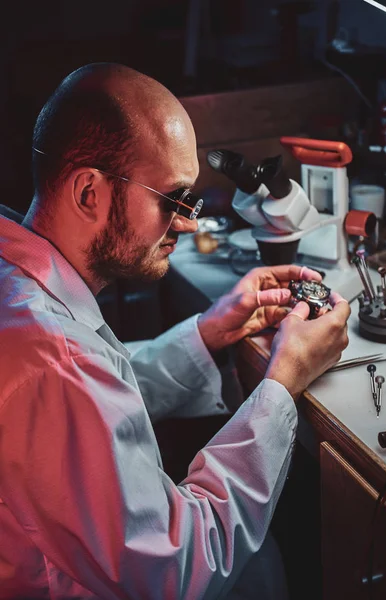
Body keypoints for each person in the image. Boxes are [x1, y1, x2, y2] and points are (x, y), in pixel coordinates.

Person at [0, 62, 350, 600]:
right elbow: (182, 565)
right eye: (173, 200)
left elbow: (93, 396)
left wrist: (206, 332)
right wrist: (282, 383)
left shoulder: (21, 284)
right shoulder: (51, 355)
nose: (186, 224)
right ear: (89, 193)